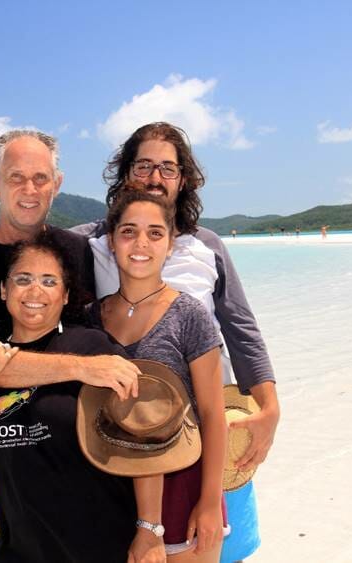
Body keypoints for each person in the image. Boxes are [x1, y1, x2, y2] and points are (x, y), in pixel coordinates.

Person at [0, 122, 280, 561]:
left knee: (221, 548)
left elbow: (241, 328)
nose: (155, 178)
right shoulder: (81, 246)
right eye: (143, 166)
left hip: (182, 446)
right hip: (52, 449)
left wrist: (269, 408)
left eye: (168, 168)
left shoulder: (201, 246)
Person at [0, 129, 141, 562]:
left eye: (40, 178)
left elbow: (139, 245)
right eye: (15, 177)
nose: (29, 190)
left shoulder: (74, 250)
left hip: (62, 460)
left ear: (57, 183)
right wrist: (82, 368)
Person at [92, 190, 227, 561]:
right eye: (128, 231)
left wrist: (211, 501)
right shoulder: (91, 317)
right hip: (110, 484)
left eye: (155, 233)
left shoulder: (189, 315)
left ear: (170, 245)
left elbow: (214, 414)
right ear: (110, 242)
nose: (141, 243)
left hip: (182, 482)